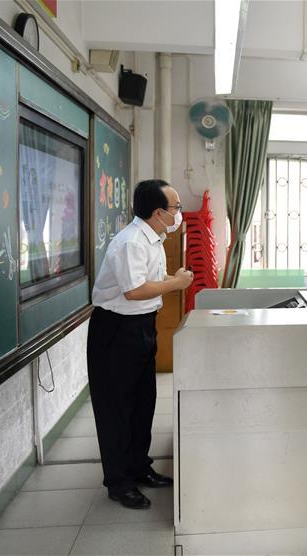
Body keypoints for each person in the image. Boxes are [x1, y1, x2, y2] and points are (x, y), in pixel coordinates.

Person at [88, 179, 193, 509]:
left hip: (142, 326)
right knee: (117, 408)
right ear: (159, 212)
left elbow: (148, 284)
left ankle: (139, 467)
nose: (179, 213)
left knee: (142, 401)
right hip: (116, 330)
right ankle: (119, 482)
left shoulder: (154, 238)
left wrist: (172, 281)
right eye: (176, 208)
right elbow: (134, 291)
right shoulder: (131, 242)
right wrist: (176, 283)